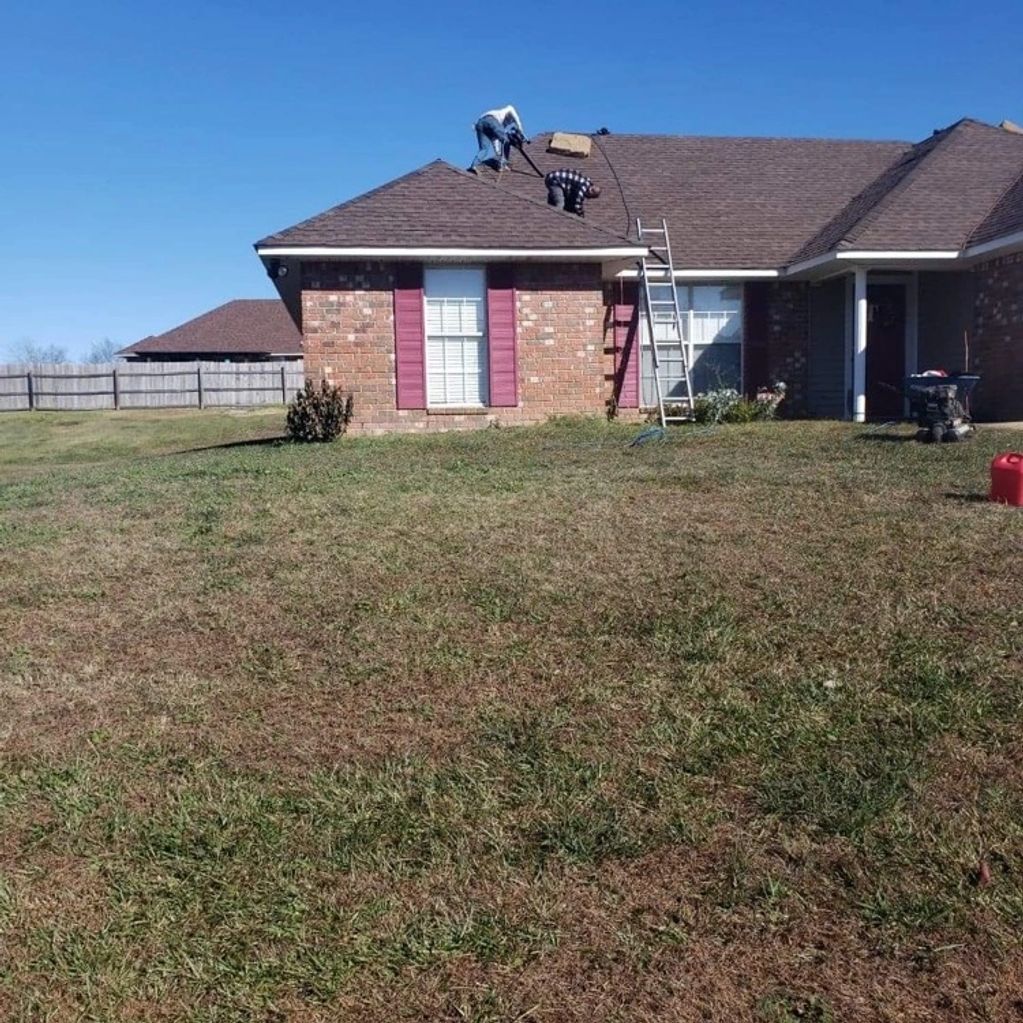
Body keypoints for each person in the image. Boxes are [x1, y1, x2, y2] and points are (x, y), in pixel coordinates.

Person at [468, 105, 526, 173]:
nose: (507, 123)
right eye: (508, 121)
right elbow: (511, 108)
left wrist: (498, 153)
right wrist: (521, 130)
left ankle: (473, 166)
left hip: (480, 125)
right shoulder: (504, 113)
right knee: (506, 141)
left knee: (484, 149)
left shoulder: (498, 126)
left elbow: (495, 141)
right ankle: (503, 163)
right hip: (490, 120)